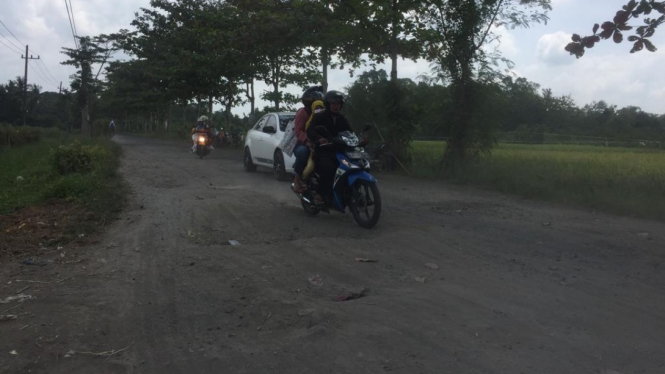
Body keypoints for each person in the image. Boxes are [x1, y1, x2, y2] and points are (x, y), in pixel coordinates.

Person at [306, 90, 351, 204]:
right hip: (324, 150)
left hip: (340, 151)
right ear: (328, 104)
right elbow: (310, 130)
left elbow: (350, 133)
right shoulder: (319, 116)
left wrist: (360, 140)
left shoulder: (342, 119)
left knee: (351, 166)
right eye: (334, 103)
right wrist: (318, 138)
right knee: (329, 168)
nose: (336, 106)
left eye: (338, 103)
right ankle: (319, 194)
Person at [292, 86, 324, 193]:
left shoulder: (322, 113)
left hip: (318, 141)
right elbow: (298, 131)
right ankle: (297, 181)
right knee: (303, 153)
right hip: (302, 143)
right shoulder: (303, 113)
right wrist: (308, 141)